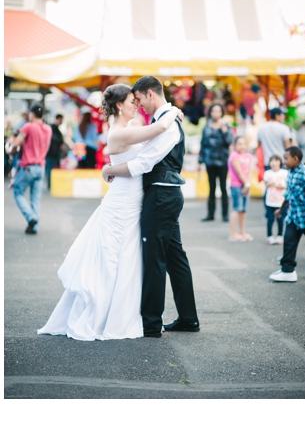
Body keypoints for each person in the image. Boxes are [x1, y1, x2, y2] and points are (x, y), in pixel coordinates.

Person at [37, 84, 181, 340]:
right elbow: (159, 128)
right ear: (118, 105)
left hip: (133, 197)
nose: (136, 105)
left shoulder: (129, 128)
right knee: (116, 257)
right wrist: (174, 112)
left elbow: (151, 140)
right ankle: (105, 315)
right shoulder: (117, 133)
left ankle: (121, 312)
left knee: (128, 257)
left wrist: (108, 169)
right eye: (131, 101)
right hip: (122, 201)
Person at [101, 76, 200, 338]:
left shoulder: (167, 123)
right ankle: (188, 318)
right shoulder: (163, 120)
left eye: (140, 99)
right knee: (175, 258)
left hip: (161, 197)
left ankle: (152, 324)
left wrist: (110, 168)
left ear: (150, 94)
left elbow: (143, 164)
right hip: (164, 196)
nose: (139, 105)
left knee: (154, 259)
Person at [270, 146, 305, 283]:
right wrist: (280, 209)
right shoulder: (290, 172)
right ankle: (288, 270)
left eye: (286, 158)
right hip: (293, 216)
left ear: (295, 158)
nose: (284, 161)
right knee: (289, 242)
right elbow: (289, 194)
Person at [10, 103, 52, 235]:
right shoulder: (48, 129)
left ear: (32, 114)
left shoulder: (28, 126)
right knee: (35, 198)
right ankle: (34, 226)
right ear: (43, 115)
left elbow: (16, 143)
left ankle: (30, 217)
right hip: (41, 167)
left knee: (18, 192)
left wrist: (13, 151)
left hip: (28, 167)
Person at [198, 103, 234, 222]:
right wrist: (200, 161)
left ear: (222, 113)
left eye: (218, 111)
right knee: (211, 188)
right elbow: (203, 145)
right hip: (210, 161)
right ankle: (210, 214)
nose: (216, 114)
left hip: (223, 161)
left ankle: (225, 215)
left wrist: (224, 130)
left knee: (223, 188)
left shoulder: (226, 126)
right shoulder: (206, 127)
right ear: (210, 112)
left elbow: (229, 142)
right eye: (214, 111)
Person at [228, 136, 253, 242]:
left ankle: (242, 232)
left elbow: (250, 172)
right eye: (239, 144)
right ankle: (233, 233)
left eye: (244, 143)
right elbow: (239, 172)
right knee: (237, 209)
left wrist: (248, 184)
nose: (242, 146)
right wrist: (246, 184)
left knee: (243, 210)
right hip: (236, 186)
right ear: (234, 145)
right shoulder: (234, 156)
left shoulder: (249, 156)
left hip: (246, 186)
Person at [256, 107, 292, 172]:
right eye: (282, 115)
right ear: (277, 116)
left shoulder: (261, 128)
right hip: (281, 162)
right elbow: (288, 148)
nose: (284, 117)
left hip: (268, 162)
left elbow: (258, 146)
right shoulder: (284, 128)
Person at [263, 154, 288, 245]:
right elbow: (265, 185)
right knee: (270, 219)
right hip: (270, 201)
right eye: (272, 161)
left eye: (276, 161)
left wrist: (281, 185)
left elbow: (287, 185)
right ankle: (269, 236)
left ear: (280, 162)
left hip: (281, 201)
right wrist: (269, 183)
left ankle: (280, 235)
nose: (274, 163)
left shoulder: (284, 173)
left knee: (280, 219)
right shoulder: (267, 173)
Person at [45, 114, 65, 190]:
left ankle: (52, 184)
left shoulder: (55, 128)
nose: (62, 121)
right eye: (61, 120)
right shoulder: (52, 128)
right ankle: (50, 185)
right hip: (51, 153)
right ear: (58, 119)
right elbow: (55, 139)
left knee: (52, 169)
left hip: (54, 153)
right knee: (51, 169)